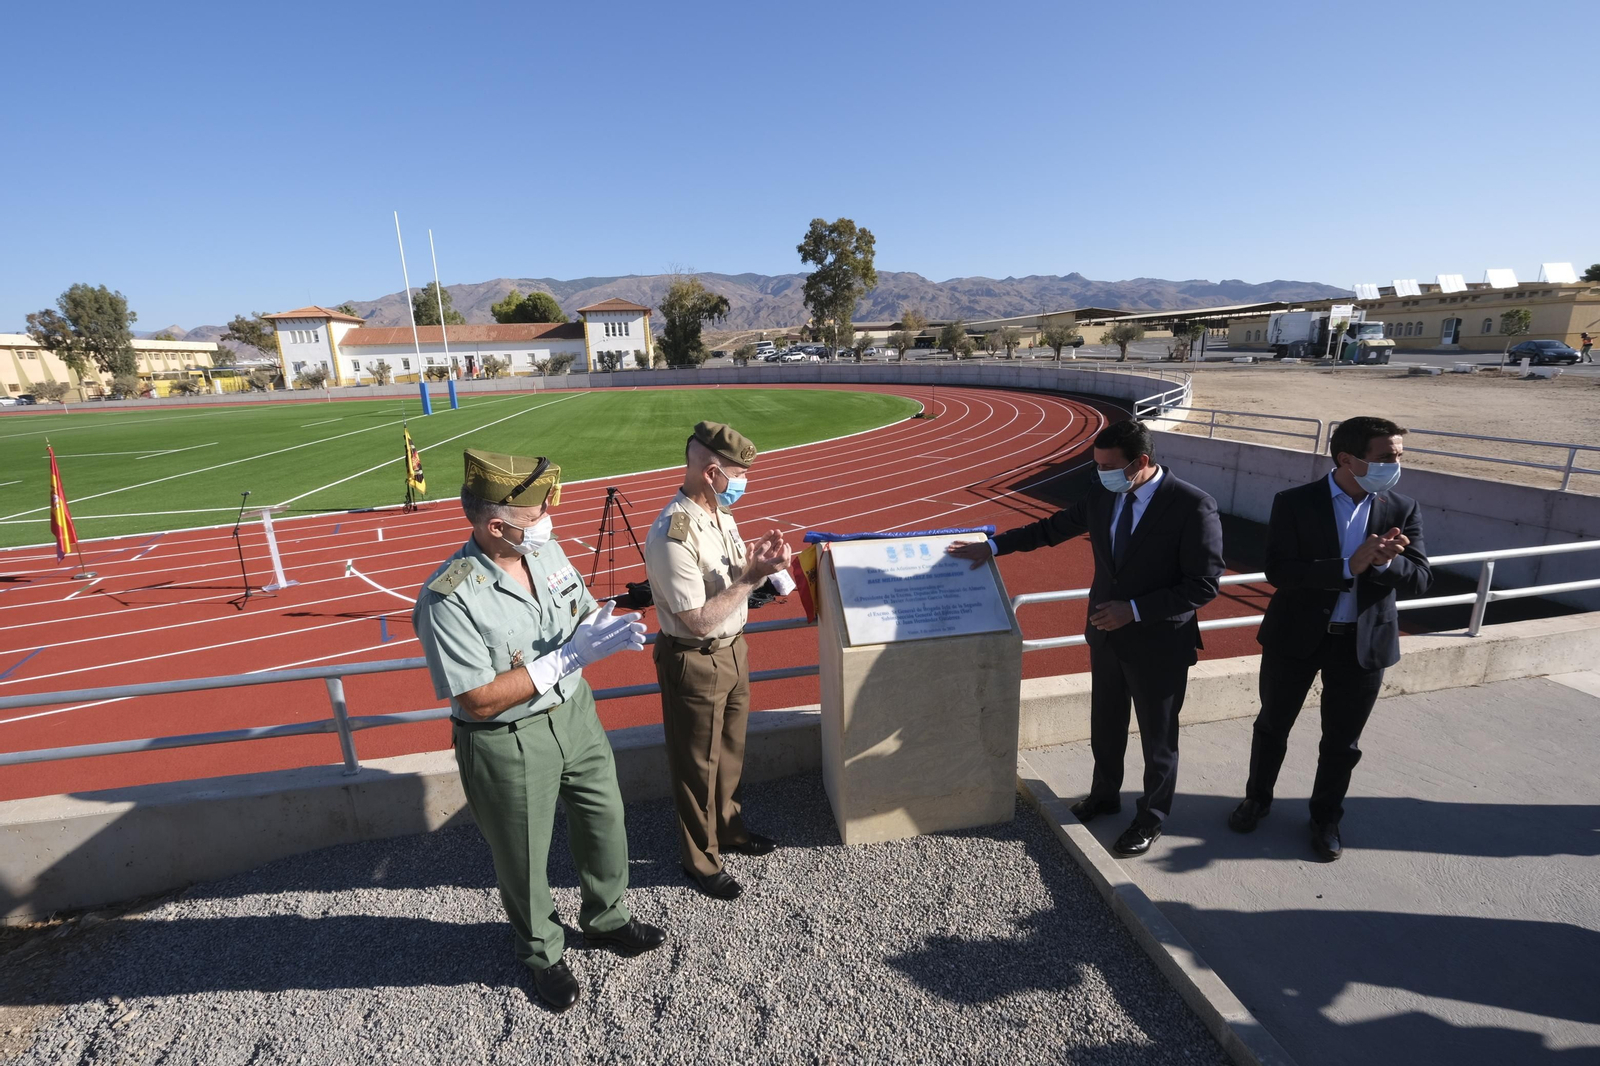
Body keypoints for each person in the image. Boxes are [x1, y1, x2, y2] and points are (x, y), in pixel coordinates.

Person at [412, 449, 665, 1013]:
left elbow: (577, 610)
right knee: (523, 857)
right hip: (508, 740)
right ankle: (541, 953)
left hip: (574, 714)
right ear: (494, 525)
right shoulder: (448, 597)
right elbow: (476, 699)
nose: (547, 522)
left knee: (606, 821)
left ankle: (606, 918)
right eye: (533, 518)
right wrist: (568, 657)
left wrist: (599, 627)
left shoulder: (544, 548)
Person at [948, 419, 1224, 856]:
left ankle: (1151, 817)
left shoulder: (1192, 505)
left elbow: (1203, 585)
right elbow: (1051, 529)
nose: (1100, 473)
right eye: (1096, 465)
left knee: (1158, 739)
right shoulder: (1103, 494)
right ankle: (1103, 795)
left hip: (1158, 645)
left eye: (1108, 466)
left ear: (1142, 462)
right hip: (1105, 638)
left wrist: (1132, 610)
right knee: (1106, 724)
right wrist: (994, 546)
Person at [1227, 416, 1432, 862]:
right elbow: (1279, 570)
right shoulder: (1296, 502)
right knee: (1272, 727)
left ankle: (1325, 819)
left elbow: (1419, 579)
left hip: (1362, 646)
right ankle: (1256, 800)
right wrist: (1347, 566)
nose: (1396, 464)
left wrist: (1381, 564)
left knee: (1342, 743)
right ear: (1347, 459)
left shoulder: (1402, 508)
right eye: (1386, 457)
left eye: (1399, 455)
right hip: (1295, 638)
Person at [645, 421, 792, 900]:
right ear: (712, 474)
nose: (743, 485)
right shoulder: (674, 532)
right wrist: (751, 579)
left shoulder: (719, 515)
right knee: (696, 768)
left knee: (728, 754)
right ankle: (701, 860)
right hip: (697, 658)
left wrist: (764, 570)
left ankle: (728, 828)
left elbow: (731, 580)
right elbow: (698, 621)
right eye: (737, 475)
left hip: (734, 650)